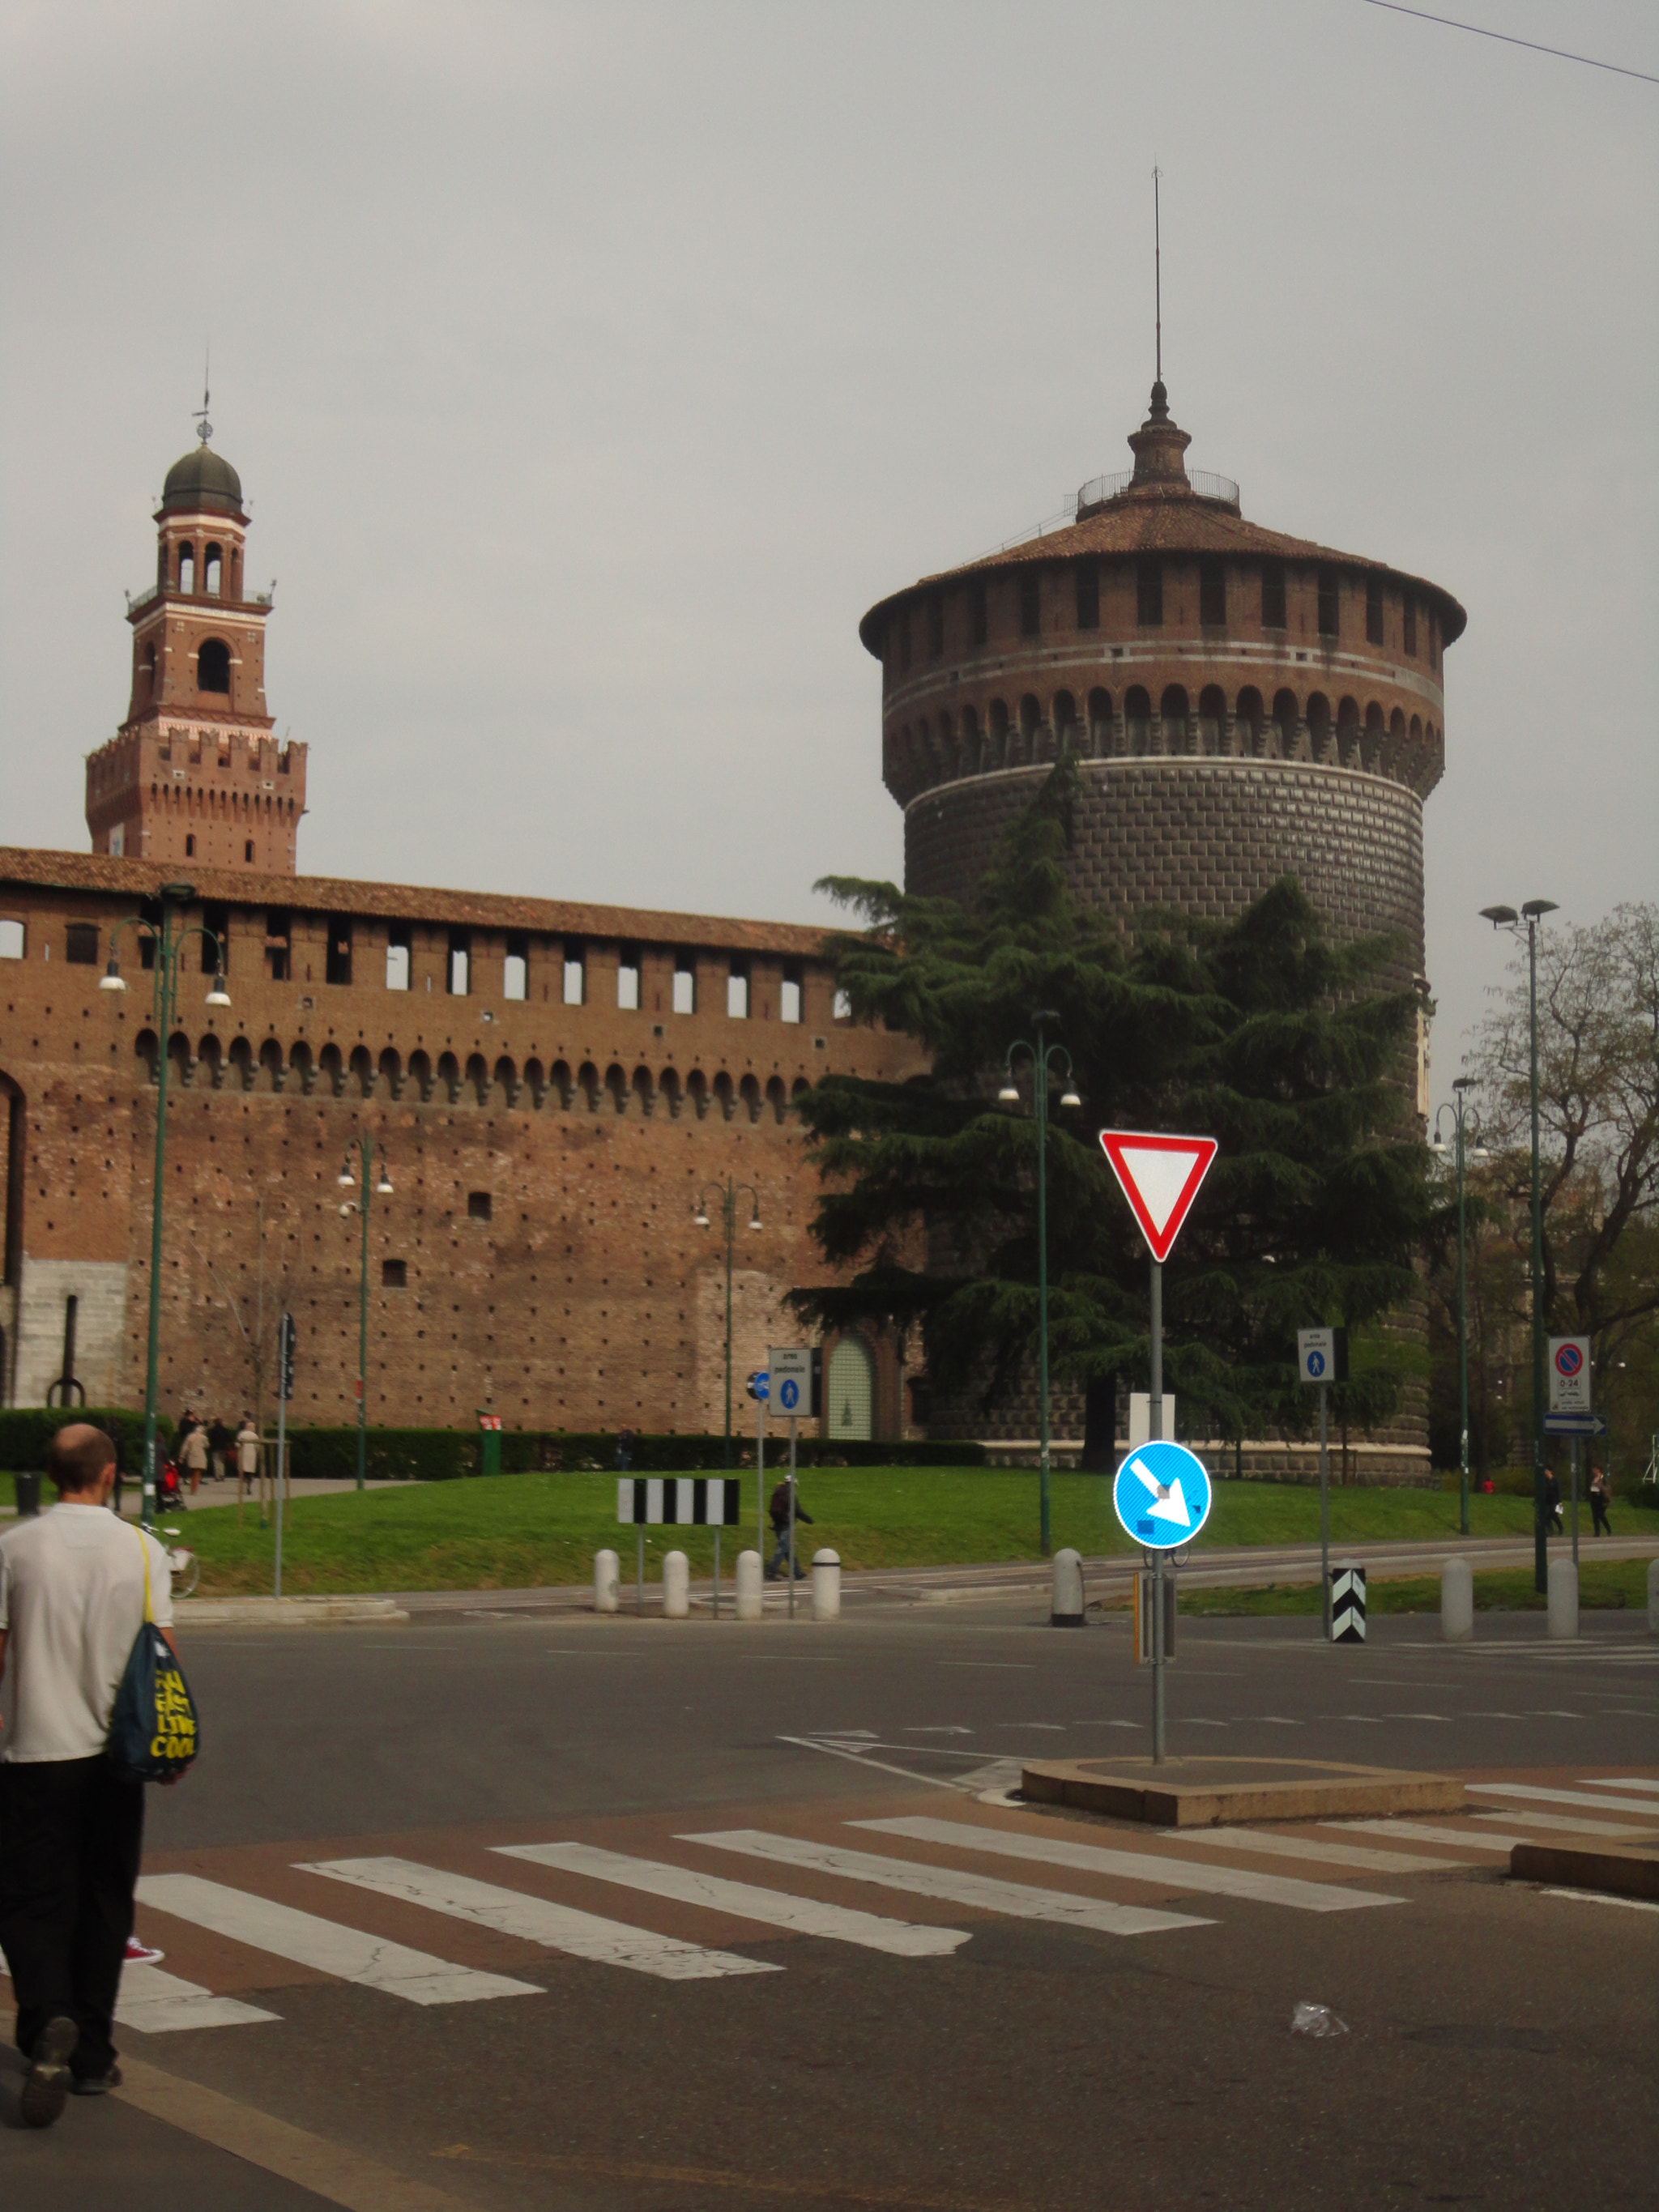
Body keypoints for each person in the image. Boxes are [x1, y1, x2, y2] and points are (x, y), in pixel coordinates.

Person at [0, 1424, 178, 2125]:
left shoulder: (14, 1546)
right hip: (118, 1757)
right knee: (106, 1897)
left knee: (29, 1896)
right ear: (108, 1475)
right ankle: (94, 2055)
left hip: (37, 1753)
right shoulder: (143, 1547)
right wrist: (171, 1742)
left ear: (51, 1475)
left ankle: (47, 2013)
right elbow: (162, 1652)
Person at [766, 1473, 812, 1581]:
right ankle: (772, 1572)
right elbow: (797, 1511)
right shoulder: (789, 1494)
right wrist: (808, 1520)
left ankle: (797, 1572)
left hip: (777, 1524)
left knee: (787, 1549)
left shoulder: (778, 1491)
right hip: (786, 1524)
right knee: (782, 1548)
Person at [180, 1418, 210, 1497]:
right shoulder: (204, 1438)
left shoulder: (190, 1437)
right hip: (200, 1456)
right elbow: (207, 1445)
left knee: (192, 1474)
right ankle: (194, 1489)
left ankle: (192, 1488)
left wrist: (182, 1456)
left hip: (191, 1456)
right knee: (197, 1473)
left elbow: (185, 1447)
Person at [236, 1413, 261, 1500]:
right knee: (250, 1471)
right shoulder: (255, 1436)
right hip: (251, 1455)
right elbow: (257, 1446)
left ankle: (241, 1487)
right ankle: (249, 1488)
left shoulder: (242, 1434)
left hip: (243, 1454)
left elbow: (237, 1444)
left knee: (242, 1471)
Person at [207, 1414, 234, 1485]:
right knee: (222, 1462)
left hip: (215, 1448)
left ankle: (217, 1476)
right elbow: (229, 1439)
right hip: (223, 1448)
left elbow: (210, 1439)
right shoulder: (225, 1430)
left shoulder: (212, 1430)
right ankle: (222, 1475)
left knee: (216, 1462)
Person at [1589, 1462, 1613, 1536]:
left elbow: (1607, 1489)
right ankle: (1597, 1532)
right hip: (1594, 1500)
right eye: (1593, 1470)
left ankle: (1608, 1528)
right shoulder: (1593, 1479)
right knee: (1595, 1516)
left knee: (1601, 1515)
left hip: (1601, 1500)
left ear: (1599, 1470)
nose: (1594, 1472)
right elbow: (1592, 1488)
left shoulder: (1603, 1479)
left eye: (1596, 1470)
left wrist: (1600, 1486)